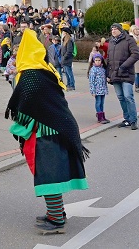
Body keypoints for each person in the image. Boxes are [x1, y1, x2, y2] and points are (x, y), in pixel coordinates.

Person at [6, 28, 88, 235]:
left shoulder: (31, 75)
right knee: (50, 174)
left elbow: (26, 105)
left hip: (47, 132)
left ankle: (57, 220)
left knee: (49, 176)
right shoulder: (43, 69)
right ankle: (56, 212)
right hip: (55, 127)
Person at [106, 24, 139, 129]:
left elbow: (135, 54)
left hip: (126, 73)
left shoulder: (129, 40)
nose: (113, 31)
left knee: (128, 96)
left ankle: (133, 120)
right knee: (121, 97)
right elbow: (109, 59)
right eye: (112, 29)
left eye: (115, 29)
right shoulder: (111, 42)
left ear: (120, 30)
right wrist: (108, 74)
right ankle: (127, 118)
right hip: (114, 74)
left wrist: (124, 66)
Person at [88, 53, 110, 124]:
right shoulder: (93, 70)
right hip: (96, 89)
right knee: (98, 102)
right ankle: (100, 116)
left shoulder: (103, 69)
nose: (98, 61)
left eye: (99, 60)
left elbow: (105, 77)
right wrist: (92, 91)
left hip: (102, 89)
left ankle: (102, 115)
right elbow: (91, 81)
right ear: (94, 61)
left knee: (102, 103)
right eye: (96, 60)